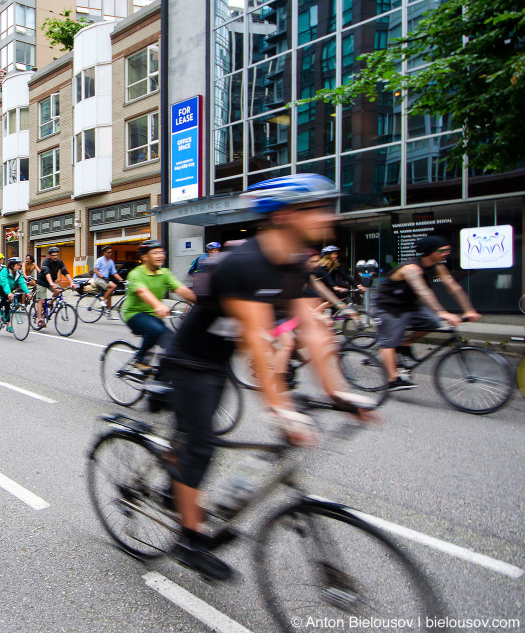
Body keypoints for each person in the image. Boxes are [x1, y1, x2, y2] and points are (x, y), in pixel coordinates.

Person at [161, 174, 373, 580]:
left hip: (218, 359)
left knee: (205, 442)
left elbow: (311, 326)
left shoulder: (292, 261)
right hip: (190, 360)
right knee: (202, 447)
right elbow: (257, 340)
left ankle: (179, 479)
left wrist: (341, 393)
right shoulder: (246, 264)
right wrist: (280, 409)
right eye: (318, 208)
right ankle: (188, 540)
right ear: (285, 215)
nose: (328, 216)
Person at [373, 235, 480, 391]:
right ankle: (392, 379)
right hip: (389, 306)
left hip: (410, 305)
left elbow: (454, 288)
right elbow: (423, 292)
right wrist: (443, 312)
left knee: (432, 322)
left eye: (448, 250)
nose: (447, 253)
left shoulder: (438, 267)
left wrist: (469, 309)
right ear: (430, 252)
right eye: (443, 250)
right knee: (389, 341)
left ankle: (404, 344)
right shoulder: (411, 268)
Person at [120, 240, 196, 371]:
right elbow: (143, 292)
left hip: (153, 316)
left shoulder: (165, 273)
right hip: (134, 314)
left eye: (162, 252)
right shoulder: (136, 274)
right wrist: (158, 306)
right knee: (155, 330)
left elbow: (180, 289)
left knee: (174, 347)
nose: (160, 255)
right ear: (144, 257)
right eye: (155, 253)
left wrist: (204, 302)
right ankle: (140, 359)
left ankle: (160, 381)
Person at [34, 247, 71, 329]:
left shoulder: (59, 262)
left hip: (52, 281)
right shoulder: (46, 262)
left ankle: (50, 303)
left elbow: (65, 272)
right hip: (42, 282)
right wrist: (51, 283)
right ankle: (40, 320)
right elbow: (47, 274)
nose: (55, 257)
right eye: (53, 255)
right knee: (41, 300)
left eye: (57, 255)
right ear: (49, 255)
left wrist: (72, 283)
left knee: (58, 291)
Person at [0, 257, 29, 332]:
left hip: (9, 288)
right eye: (17, 265)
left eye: (19, 265)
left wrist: (27, 292)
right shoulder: (4, 271)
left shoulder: (18, 273)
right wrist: (9, 293)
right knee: (7, 297)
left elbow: (22, 283)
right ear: (12, 265)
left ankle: (8, 325)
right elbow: (5, 282)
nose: (19, 266)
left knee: (8, 304)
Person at [92, 246, 126, 315]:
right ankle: (103, 300)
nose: (110, 254)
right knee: (113, 286)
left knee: (110, 296)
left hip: (105, 280)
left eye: (111, 252)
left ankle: (108, 313)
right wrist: (102, 277)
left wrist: (122, 280)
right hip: (98, 279)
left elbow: (114, 273)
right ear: (104, 253)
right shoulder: (99, 260)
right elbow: (95, 270)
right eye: (109, 252)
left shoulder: (111, 262)